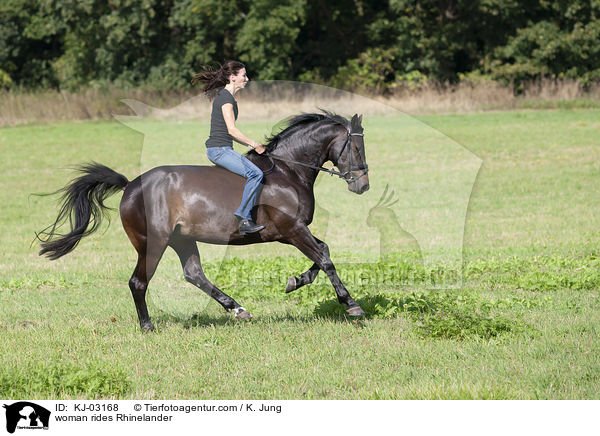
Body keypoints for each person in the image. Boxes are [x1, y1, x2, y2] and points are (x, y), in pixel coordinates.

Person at [191, 61, 266, 235]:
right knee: (256, 174)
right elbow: (232, 130)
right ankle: (244, 217)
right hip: (219, 150)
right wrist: (254, 144)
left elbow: (229, 132)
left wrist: (251, 145)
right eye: (243, 76)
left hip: (223, 148)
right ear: (233, 78)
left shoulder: (228, 97)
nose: (247, 79)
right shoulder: (225, 98)